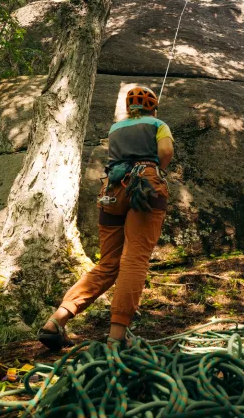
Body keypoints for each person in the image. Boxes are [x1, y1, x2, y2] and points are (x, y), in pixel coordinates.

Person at [38, 86, 174, 350]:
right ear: (153, 107)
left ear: (129, 108)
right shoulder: (159, 124)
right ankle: (117, 336)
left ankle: (57, 320)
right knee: (134, 258)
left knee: (109, 263)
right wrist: (156, 171)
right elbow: (165, 152)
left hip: (112, 191)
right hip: (144, 189)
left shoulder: (116, 129)